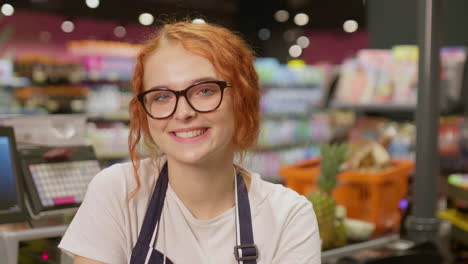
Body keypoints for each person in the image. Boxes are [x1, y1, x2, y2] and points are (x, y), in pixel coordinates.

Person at [58, 21, 321, 264]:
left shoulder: (288, 217)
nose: (182, 112)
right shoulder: (118, 191)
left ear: (242, 98)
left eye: (205, 90)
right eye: (162, 96)